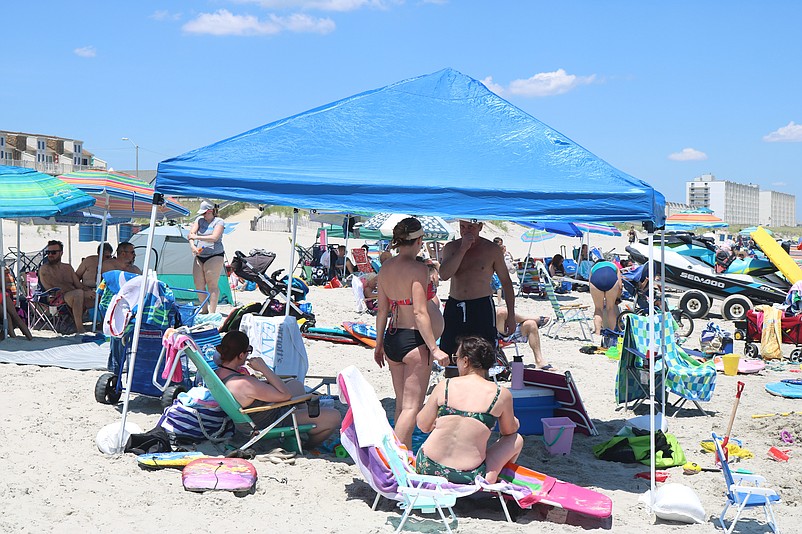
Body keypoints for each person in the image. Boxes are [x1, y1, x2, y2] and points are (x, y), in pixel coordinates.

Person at [374, 217, 450, 449]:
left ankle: (402, 454)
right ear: (419, 240)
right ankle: (395, 457)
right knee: (411, 407)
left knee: (401, 405)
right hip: (414, 340)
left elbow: (382, 310)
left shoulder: (386, 267)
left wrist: (378, 344)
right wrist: (435, 348)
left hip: (393, 338)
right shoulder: (418, 269)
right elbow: (419, 312)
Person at [416, 336, 523, 484]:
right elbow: (508, 432)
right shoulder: (500, 394)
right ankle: (494, 477)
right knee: (516, 439)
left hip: (428, 467)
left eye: (456, 358)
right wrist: (514, 423)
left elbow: (423, 425)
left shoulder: (445, 386)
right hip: (469, 476)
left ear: (465, 361)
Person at [214, 330, 340, 448]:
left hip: (253, 415)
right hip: (271, 421)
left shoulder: (218, 373)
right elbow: (285, 396)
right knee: (334, 416)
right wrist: (264, 369)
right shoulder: (244, 383)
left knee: (296, 385)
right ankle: (306, 445)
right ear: (241, 355)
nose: (248, 354)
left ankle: (305, 421)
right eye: (248, 351)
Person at [439, 220, 515, 357]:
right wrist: (462, 249)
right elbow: (444, 275)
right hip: (455, 304)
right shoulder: (451, 248)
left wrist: (511, 315)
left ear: (480, 227)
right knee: (450, 353)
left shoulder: (492, 250)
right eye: (462, 227)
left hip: (481, 306)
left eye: (470, 227)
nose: (466, 231)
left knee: (482, 355)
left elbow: (506, 283)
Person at [37, 240, 95, 334]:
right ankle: (80, 329)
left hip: (72, 295)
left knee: (99, 295)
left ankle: (103, 324)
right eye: (48, 253)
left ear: (61, 253)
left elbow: (78, 284)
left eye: (53, 252)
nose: (50, 255)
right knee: (79, 293)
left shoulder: (67, 268)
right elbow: (55, 287)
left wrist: (90, 291)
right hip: (54, 297)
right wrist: (84, 293)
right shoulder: (45, 269)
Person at [188, 200, 225, 313]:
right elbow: (190, 235)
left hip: (215, 255)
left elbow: (214, 237)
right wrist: (192, 246)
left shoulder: (218, 221)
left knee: (212, 283)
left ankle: (212, 311)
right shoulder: (199, 220)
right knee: (198, 283)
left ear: (210, 211)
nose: (203, 215)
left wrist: (198, 238)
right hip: (200, 254)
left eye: (205, 213)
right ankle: (204, 309)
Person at [589, 260, 622, 336]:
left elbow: (590, 283)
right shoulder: (614, 266)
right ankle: (613, 332)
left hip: (596, 280)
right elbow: (620, 286)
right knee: (610, 308)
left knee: (598, 309)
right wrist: (617, 298)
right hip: (611, 278)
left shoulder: (593, 268)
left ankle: (597, 333)